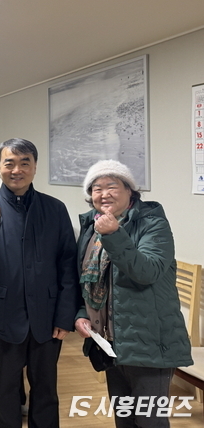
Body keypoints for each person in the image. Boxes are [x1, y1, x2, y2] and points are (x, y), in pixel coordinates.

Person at [0, 138, 78, 428]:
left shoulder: (54, 208)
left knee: (46, 389)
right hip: (2, 315)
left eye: (24, 163)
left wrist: (65, 315)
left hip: (47, 316)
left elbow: (67, 264)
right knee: (5, 389)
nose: (17, 170)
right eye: (9, 163)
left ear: (35, 167)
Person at [74, 160, 192, 428]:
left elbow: (147, 271)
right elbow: (90, 280)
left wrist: (114, 234)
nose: (104, 194)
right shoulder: (93, 227)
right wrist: (82, 312)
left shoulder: (152, 224)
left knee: (150, 420)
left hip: (148, 340)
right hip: (111, 341)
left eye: (112, 186)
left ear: (130, 190)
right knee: (124, 418)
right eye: (96, 188)